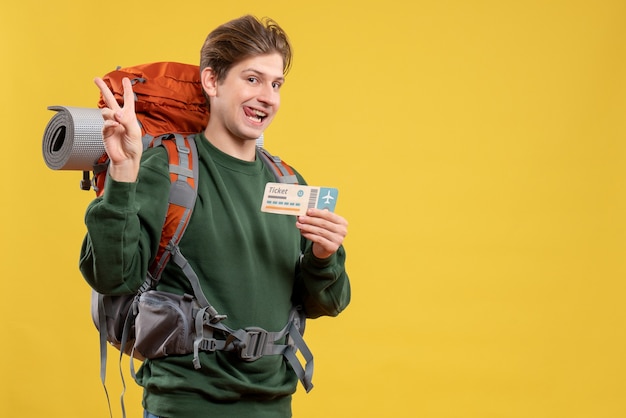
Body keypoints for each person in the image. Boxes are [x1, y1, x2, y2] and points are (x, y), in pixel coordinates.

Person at [79, 14, 351, 418]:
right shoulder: (164, 168)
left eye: (276, 84)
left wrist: (325, 255)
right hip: (184, 406)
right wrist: (122, 172)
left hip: (275, 408)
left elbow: (326, 301)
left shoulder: (290, 182)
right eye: (252, 79)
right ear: (212, 81)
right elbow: (112, 276)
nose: (268, 97)